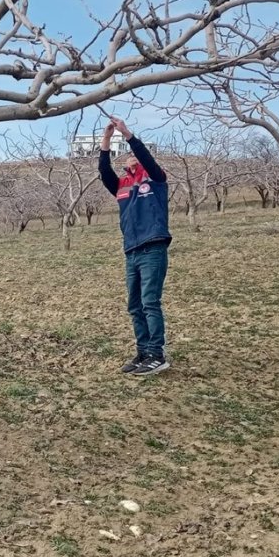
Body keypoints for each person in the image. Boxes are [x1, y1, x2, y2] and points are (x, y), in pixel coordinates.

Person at [98, 116, 172, 377]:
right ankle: (143, 351)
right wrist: (107, 140)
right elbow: (104, 171)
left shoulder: (155, 180)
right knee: (135, 305)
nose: (131, 158)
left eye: (134, 156)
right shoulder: (121, 186)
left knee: (150, 301)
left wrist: (127, 134)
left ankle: (157, 354)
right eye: (127, 157)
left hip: (153, 246)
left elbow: (145, 157)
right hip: (132, 249)